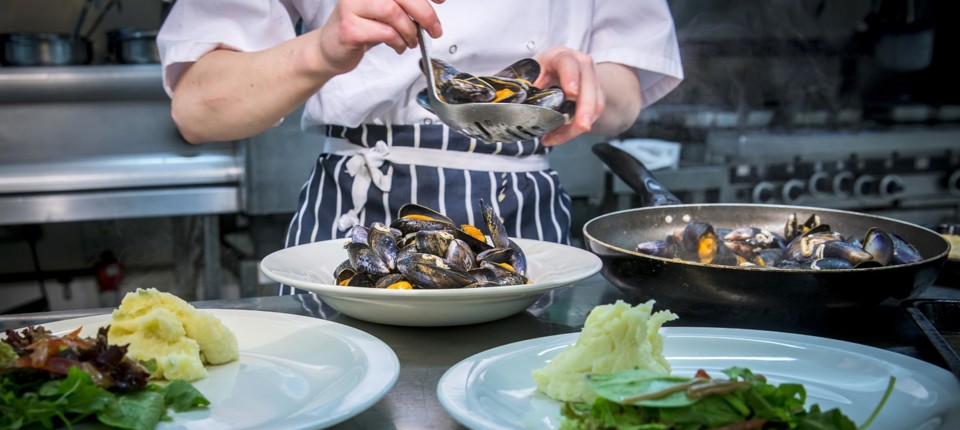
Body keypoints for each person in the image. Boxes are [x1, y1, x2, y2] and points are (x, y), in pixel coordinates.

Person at [158, 0, 683, 295]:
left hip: (519, 225)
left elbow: (624, 94)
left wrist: (578, 90)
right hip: (354, 219)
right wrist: (320, 50)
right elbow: (198, 109)